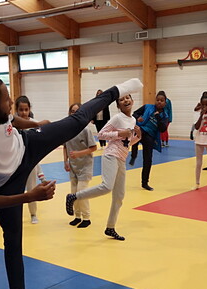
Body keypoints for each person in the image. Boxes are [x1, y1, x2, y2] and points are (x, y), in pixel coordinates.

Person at [0, 76, 143, 289]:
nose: (11, 102)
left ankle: (118, 87)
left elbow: (12, 120)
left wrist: (35, 124)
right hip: (6, 184)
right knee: (12, 241)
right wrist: (29, 196)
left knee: (75, 122)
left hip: (28, 144)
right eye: (7, 100)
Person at [66, 93, 141, 240]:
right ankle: (74, 196)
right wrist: (120, 132)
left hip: (122, 158)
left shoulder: (132, 120)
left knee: (119, 196)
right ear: (118, 105)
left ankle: (110, 228)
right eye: (121, 99)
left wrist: (137, 137)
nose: (125, 100)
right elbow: (101, 134)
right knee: (107, 186)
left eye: (128, 98)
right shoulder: (117, 118)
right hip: (111, 155)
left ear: (132, 101)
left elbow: (127, 143)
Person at [14, 95, 49, 224]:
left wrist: (41, 174)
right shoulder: (12, 125)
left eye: (26, 109)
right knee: (15, 191)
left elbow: (37, 148)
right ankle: (14, 214)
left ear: (29, 109)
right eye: (21, 110)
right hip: (15, 163)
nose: (23, 112)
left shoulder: (35, 124)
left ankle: (33, 213)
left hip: (31, 162)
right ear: (16, 110)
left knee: (32, 188)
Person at [64, 103, 97, 228]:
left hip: (85, 166)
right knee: (73, 193)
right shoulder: (67, 130)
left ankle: (86, 217)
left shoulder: (86, 130)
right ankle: (77, 216)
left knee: (81, 192)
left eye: (77, 111)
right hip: (73, 166)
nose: (74, 113)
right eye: (72, 111)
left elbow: (93, 147)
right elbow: (65, 147)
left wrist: (79, 153)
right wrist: (65, 161)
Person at [129, 91, 169, 191]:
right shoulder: (147, 107)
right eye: (157, 100)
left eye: (162, 100)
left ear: (165, 103)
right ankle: (133, 156)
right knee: (135, 138)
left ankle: (145, 182)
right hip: (142, 129)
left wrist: (158, 118)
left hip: (150, 135)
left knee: (148, 159)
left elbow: (163, 129)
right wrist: (138, 117)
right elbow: (135, 113)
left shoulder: (164, 115)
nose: (159, 102)